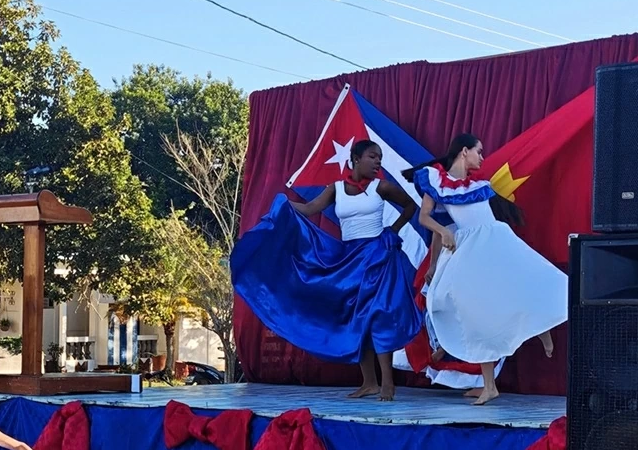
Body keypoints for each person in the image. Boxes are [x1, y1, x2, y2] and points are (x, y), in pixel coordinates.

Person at [230, 139, 422, 400]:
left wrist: (393, 231)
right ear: (355, 159)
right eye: (372, 156)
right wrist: (283, 206)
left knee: (378, 315)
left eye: (380, 157)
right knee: (357, 318)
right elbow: (310, 209)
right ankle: (369, 383)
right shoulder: (337, 189)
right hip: (350, 258)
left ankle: (387, 383)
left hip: (378, 256)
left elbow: (411, 206)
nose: (378, 162)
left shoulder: (382, 187)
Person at [405, 133, 566, 406]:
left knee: (521, 286)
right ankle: (485, 381)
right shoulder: (435, 180)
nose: (482, 157)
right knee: (470, 310)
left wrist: (443, 237)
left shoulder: (478, 184)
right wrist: (436, 253)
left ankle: (541, 330)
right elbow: (425, 219)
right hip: (469, 247)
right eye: (479, 151)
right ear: (464, 151)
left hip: (493, 241)